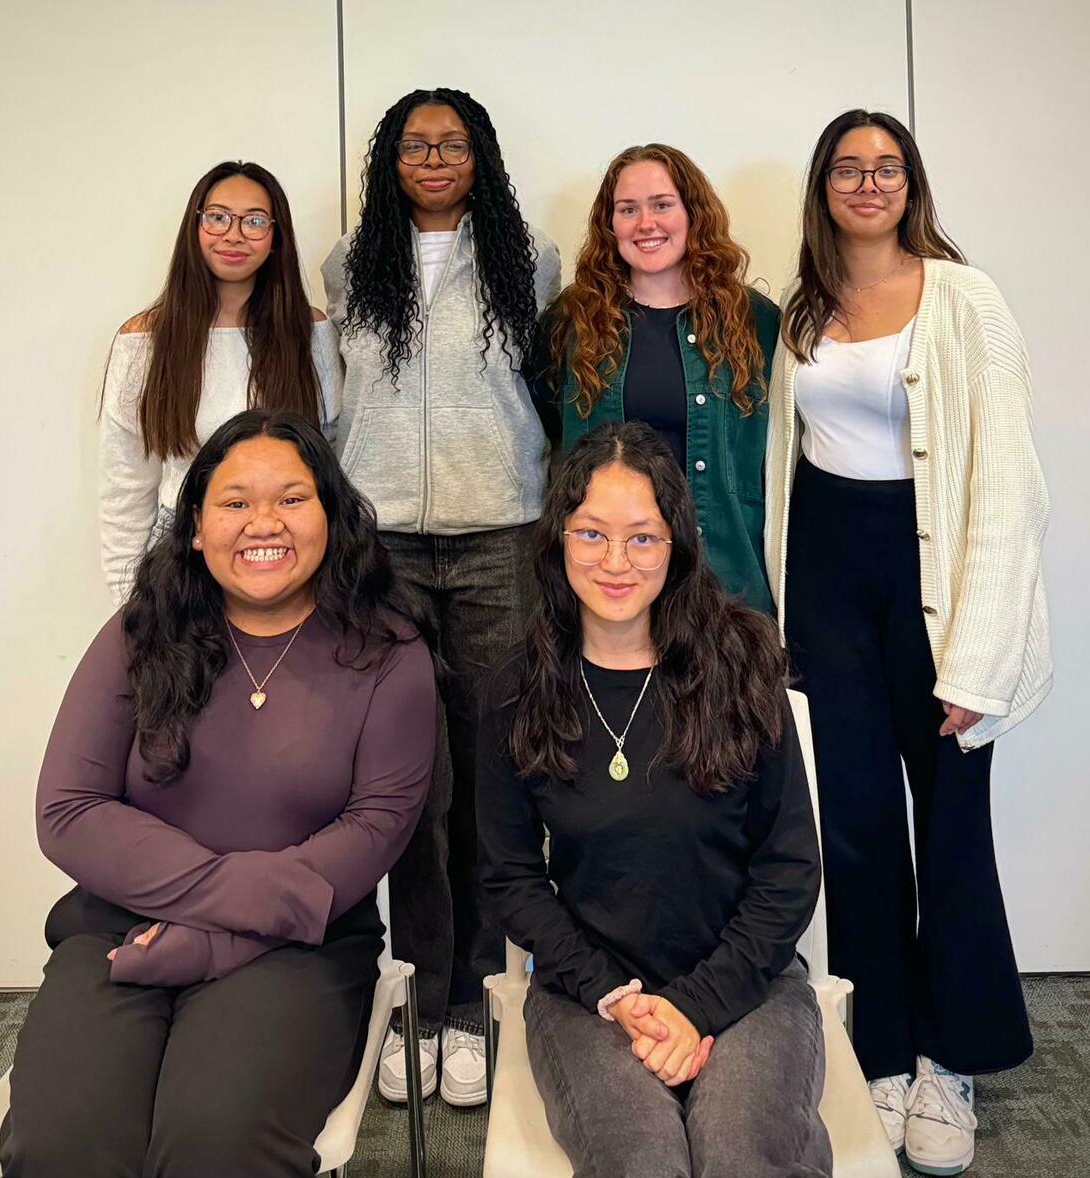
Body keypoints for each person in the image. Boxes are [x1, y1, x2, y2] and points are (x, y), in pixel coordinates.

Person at [1, 410, 435, 1178]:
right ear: (195, 526)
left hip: (300, 948)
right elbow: (70, 810)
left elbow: (377, 829)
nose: (262, 522)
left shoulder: (389, 654)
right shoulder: (141, 633)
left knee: (214, 1142)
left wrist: (209, 941)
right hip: (119, 936)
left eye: (292, 499)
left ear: (333, 517)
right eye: (234, 502)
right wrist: (225, 895)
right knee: (65, 1141)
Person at [766, 108, 1052, 1176]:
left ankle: (952, 1057)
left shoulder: (964, 297)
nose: (868, 183)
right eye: (848, 167)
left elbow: (1008, 489)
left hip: (931, 577)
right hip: (830, 582)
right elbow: (780, 472)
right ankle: (880, 1051)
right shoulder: (800, 311)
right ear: (824, 187)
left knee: (951, 823)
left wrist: (978, 654)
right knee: (856, 829)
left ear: (912, 182)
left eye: (887, 167)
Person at [478, 421, 831, 1178]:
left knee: (740, 1157)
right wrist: (612, 994)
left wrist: (697, 1005)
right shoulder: (517, 690)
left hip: (750, 983)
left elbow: (790, 867)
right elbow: (509, 877)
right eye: (592, 535)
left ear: (676, 544)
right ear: (556, 540)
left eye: (642, 538)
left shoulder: (741, 665)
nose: (615, 562)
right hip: (587, 995)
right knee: (644, 1162)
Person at [321, 86, 561, 1106]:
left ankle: (474, 1001)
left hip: (500, 540)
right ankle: (418, 993)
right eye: (415, 143)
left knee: (492, 778)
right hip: (383, 548)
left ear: (479, 155)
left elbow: (545, 391)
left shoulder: (530, 259)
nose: (432, 157)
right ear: (390, 157)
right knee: (410, 787)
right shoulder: (347, 264)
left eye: (451, 143)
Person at [528, 143, 778, 613]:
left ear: (692, 213)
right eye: (628, 209)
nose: (647, 224)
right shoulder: (572, 320)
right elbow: (547, 423)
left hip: (724, 573)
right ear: (610, 223)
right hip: (609, 574)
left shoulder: (755, 321)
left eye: (662, 205)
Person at [100, 161, 337, 604]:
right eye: (218, 217)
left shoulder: (310, 333)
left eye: (254, 221)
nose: (234, 234)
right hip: (179, 559)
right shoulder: (143, 341)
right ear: (195, 227)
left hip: (282, 557)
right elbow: (125, 487)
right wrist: (126, 605)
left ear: (275, 237)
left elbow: (330, 460)